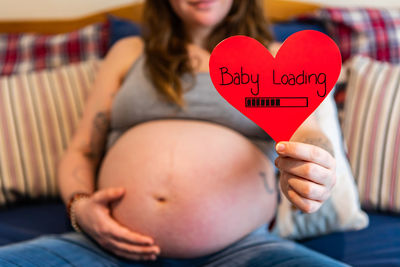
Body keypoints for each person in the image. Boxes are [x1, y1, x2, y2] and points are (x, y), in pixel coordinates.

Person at [0, 0, 347, 266]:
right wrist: (81, 209)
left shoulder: (272, 58)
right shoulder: (130, 52)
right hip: (107, 245)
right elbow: (83, 150)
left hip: (245, 247)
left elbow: (308, 133)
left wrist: (315, 164)